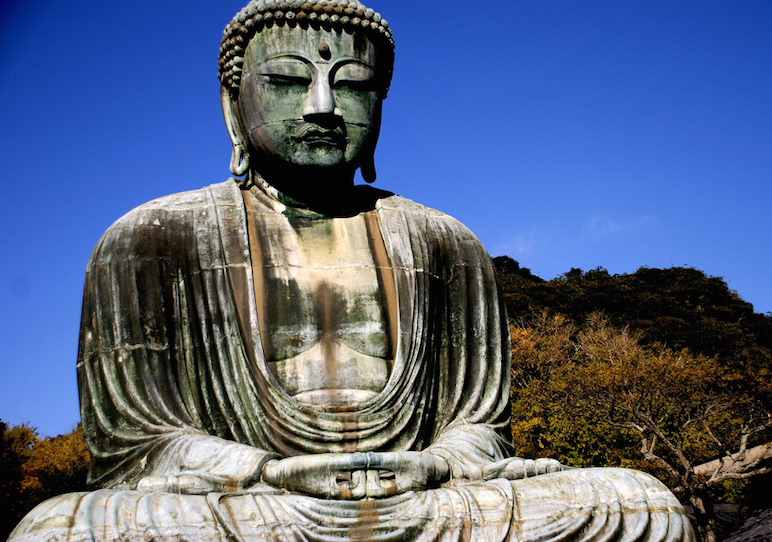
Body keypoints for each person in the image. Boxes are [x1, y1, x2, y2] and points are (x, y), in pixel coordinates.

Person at [10, 1, 695, 540]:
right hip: (258, 509)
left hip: (427, 504)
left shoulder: (445, 244)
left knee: (641, 505)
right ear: (232, 103)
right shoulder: (150, 241)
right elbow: (136, 446)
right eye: (285, 80)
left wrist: (436, 462)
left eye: (354, 86)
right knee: (59, 531)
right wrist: (267, 471)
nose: (321, 107)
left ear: (381, 107)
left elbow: (481, 426)